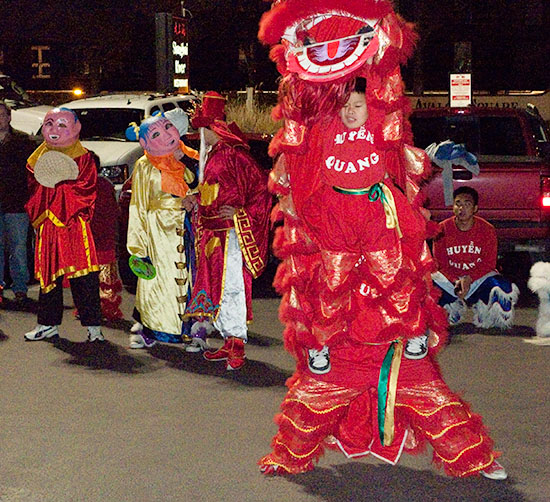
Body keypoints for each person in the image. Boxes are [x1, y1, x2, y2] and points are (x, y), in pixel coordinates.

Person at [257, 0, 506, 480]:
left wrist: (381, 42)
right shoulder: (319, 131)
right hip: (335, 251)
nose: (352, 112)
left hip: (380, 247)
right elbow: (300, 112)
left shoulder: (381, 127)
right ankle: (296, 437)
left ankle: (469, 451)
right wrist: (296, 51)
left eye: (359, 104)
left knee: (405, 324)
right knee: (325, 340)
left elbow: (389, 89)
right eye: (345, 105)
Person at [183, 91, 272, 370]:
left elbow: (261, 192)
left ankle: (237, 345)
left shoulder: (236, 156)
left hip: (230, 235)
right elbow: (212, 193)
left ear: (214, 129)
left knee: (232, 287)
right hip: (212, 234)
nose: (201, 135)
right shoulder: (215, 155)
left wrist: (240, 214)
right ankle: (227, 339)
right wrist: (195, 200)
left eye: (203, 129)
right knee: (217, 289)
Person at [23, 107, 104, 342]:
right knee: (48, 277)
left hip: (74, 225)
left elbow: (86, 190)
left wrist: (58, 189)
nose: (55, 130)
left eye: (62, 125)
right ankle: (47, 324)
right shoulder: (35, 159)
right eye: (49, 123)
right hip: (48, 226)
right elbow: (34, 190)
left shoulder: (84, 157)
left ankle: (94, 327)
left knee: (84, 276)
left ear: (76, 128)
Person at [125, 112, 199, 349]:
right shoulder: (144, 166)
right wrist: (137, 246)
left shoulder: (189, 157)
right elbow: (137, 206)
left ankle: (191, 331)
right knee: (155, 285)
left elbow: (202, 186)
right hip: (157, 234)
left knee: (189, 280)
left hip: (185, 230)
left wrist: (193, 199)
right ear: (145, 143)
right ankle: (151, 330)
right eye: (156, 134)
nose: (166, 135)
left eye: (168, 128)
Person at [432, 186, 519, 329]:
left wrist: (469, 279)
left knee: (503, 287)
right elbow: (439, 263)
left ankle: (486, 314)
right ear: (453, 206)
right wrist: (456, 281)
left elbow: (489, 264)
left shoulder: (487, 229)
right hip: (451, 280)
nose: (461, 208)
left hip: (476, 279)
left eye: (467, 204)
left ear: (475, 208)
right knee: (427, 283)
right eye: (458, 204)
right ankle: (451, 309)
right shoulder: (442, 228)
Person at [0, 101, 35, 303]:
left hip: (17, 204)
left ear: (9, 117)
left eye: (2, 115)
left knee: (18, 248)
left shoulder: (22, 141)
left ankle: (20, 287)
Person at [88, 151, 124, 321]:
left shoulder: (101, 185)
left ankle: (106, 308)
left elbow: (111, 214)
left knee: (105, 277)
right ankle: (91, 307)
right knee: (92, 277)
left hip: (102, 239)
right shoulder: (84, 185)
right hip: (92, 240)